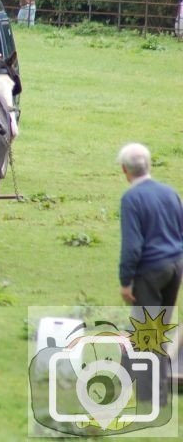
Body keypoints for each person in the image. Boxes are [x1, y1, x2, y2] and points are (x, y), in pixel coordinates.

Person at [116, 142, 183, 406]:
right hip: (176, 266)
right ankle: (133, 378)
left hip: (150, 271)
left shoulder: (131, 198)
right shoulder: (170, 192)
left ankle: (151, 397)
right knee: (158, 327)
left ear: (125, 170)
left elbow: (132, 246)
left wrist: (125, 281)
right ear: (149, 165)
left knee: (148, 332)